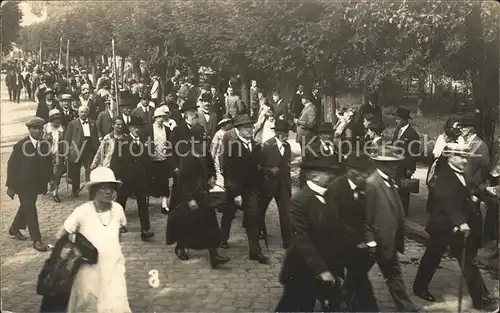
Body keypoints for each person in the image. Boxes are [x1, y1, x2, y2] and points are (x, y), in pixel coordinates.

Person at [413, 143, 499, 312]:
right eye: (460, 157)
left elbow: (469, 189)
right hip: (443, 226)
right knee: (432, 258)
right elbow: (447, 203)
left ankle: (481, 299)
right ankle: (419, 287)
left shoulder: (463, 173)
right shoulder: (444, 176)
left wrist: (484, 191)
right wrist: (461, 221)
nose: (464, 161)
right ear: (450, 157)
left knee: (468, 263)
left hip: (460, 229)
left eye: (466, 157)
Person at [55, 167, 131, 313]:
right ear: (94, 190)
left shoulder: (118, 210)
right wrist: (74, 252)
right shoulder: (83, 211)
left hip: (113, 267)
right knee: (90, 306)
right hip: (89, 269)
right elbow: (61, 234)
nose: (108, 192)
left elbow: (117, 236)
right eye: (103, 188)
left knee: (115, 303)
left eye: (111, 188)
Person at [276, 156, 344, 312]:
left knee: (335, 303)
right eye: (327, 173)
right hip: (303, 267)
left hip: (328, 262)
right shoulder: (300, 201)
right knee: (297, 304)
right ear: (314, 175)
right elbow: (302, 239)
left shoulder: (331, 195)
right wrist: (321, 269)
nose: (332, 176)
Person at [166, 102, 230, 268]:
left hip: (200, 183)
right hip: (184, 181)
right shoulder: (178, 130)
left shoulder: (200, 131)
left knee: (208, 218)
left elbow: (207, 155)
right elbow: (172, 151)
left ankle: (214, 254)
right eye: (191, 113)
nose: (195, 115)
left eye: (195, 112)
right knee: (183, 217)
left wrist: (212, 175)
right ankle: (180, 246)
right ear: (185, 114)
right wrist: (175, 168)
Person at [365, 145, 419, 312]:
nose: (396, 167)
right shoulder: (372, 184)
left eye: (396, 163)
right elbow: (365, 216)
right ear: (381, 164)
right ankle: (342, 302)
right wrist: (370, 240)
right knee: (357, 275)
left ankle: (406, 307)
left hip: (388, 240)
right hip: (375, 242)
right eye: (391, 164)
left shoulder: (388, 181)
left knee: (394, 275)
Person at [326, 154, 379, 312]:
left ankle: (364, 306)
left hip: (356, 242)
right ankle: (334, 303)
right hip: (336, 241)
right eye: (363, 173)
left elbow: (366, 216)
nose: (366, 176)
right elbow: (332, 220)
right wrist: (356, 239)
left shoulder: (363, 187)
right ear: (351, 172)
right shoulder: (336, 188)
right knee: (336, 277)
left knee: (359, 274)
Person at [221, 114, 269, 264]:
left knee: (253, 217)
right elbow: (228, 171)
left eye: (251, 127)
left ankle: (255, 251)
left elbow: (259, 168)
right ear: (239, 130)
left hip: (252, 189)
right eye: (246, 128)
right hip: (235, 189)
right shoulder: (232, 146)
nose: (250, 130)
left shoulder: (256, 146)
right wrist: (235, 194)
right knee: (228, 214)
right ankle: (222, 239)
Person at [6, 117, 52, 252]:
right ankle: (36, 239)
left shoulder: (44, 145)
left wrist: (51, 180)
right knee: (31, 210)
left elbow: (48, 164)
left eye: (40, 128)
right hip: (23, 184)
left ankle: (14, 228)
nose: (39, 131)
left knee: (26, 207)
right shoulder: (21, 146)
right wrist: (11, 186)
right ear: (29, 130)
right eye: (35, 128)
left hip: (36, 184)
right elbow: (12, 166)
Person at [115, 116, 155, 241]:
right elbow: (116, 162)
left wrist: (149, 176)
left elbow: (149, 160)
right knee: (121, 201)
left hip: (141, 178)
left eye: (139, 127)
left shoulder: (145, 141)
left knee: (143, 203)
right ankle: (119, 224)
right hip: (126, 178)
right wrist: (118, 178)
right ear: (130, 128)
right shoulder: (123, 141)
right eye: (134, 127)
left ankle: (145, 228)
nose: (137, 130)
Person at [258, 119, 292, 249]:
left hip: (283, 185)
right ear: (277, 133)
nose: (286, 136)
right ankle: (261, 233)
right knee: (261, 210)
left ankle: (287, 242)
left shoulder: (287, 146)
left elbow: (286, 163)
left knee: (286, 213)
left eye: (287, 132)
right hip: (268, 184)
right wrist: (269, 170)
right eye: (284, 133)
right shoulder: (266, 146)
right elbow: (258, 166)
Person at [64, 105, 99, 197]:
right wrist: (66, 153)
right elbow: (67, 138)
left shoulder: (92, 123)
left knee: (90, 168)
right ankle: (75, 190)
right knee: (75, 169)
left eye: (85, 112)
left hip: (89, 147)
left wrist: (97, 149)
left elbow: (95, 137)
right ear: (78, 113)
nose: (84, 114)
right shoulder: (72, 123)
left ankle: (91, 188)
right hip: (77, 149)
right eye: (82, 112)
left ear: (88, 113)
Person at [391, 108, 420, 217]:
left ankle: (403, 212)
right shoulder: (397, 131)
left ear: (404, 120)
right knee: (396, 188)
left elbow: (413, 153)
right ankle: (396, 210)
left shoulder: (413, 134)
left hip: (405, 166)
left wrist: (410, 168)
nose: (396, 121)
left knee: (404, 190)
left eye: (398, 119)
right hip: (395, 165)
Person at [149, 107, 172, 214]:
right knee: (149, 181)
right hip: (151, 160)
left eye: (163, 117)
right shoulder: (149, 129)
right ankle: (146, 201)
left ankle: (164, 205)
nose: (161, 119)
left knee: (164, 182)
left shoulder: (166, 129)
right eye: (159, 117)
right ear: (155, 118)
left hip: (163, 159)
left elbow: (170, 143)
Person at [43, 109, 66, 203]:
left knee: (57, 174)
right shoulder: (45, 128)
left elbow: (65, 142)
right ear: (51, 120)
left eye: (59, 119)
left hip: (58, 154)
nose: (58, 121)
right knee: (47, 172)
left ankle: (55, 193)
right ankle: (47, 184)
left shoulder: (62, 128)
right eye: (56, 119)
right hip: (46, 154)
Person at [210, 115, 233, 188]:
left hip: (228, 155)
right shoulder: (218, 134)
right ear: (223, 125)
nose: (230, 124)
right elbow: (214, 147)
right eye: (228, 123)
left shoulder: (231, 133)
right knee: (220, 173)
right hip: (219, 156)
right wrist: (212, 158)